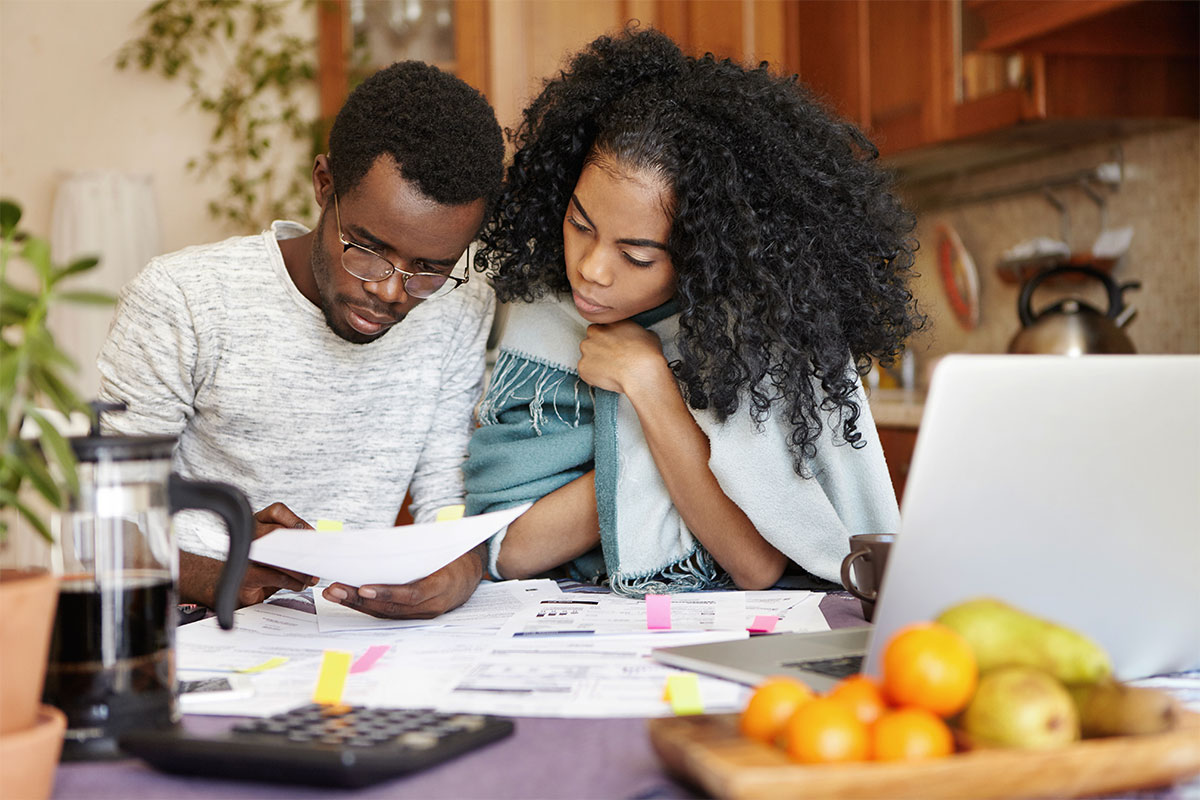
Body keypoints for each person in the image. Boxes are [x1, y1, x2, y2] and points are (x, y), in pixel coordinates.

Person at [463, 29, 922, 596]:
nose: (592, 269)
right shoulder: (544, 315)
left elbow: (755, 567)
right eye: (580, 224)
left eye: (636, 255)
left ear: (703, 254)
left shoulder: (755, 341)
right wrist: (659, 460)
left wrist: (650, 385)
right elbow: (507, 550)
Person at [97, 61, 505, 618]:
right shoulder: (182, 299)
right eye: (367, 248)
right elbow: (102, 518)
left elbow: (446, 493)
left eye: (430, 268)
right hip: (190, 620)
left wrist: (460, 568)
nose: (392, 291)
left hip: (347, 628)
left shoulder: (461, 304)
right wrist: (213, 574)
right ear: (324, 184)